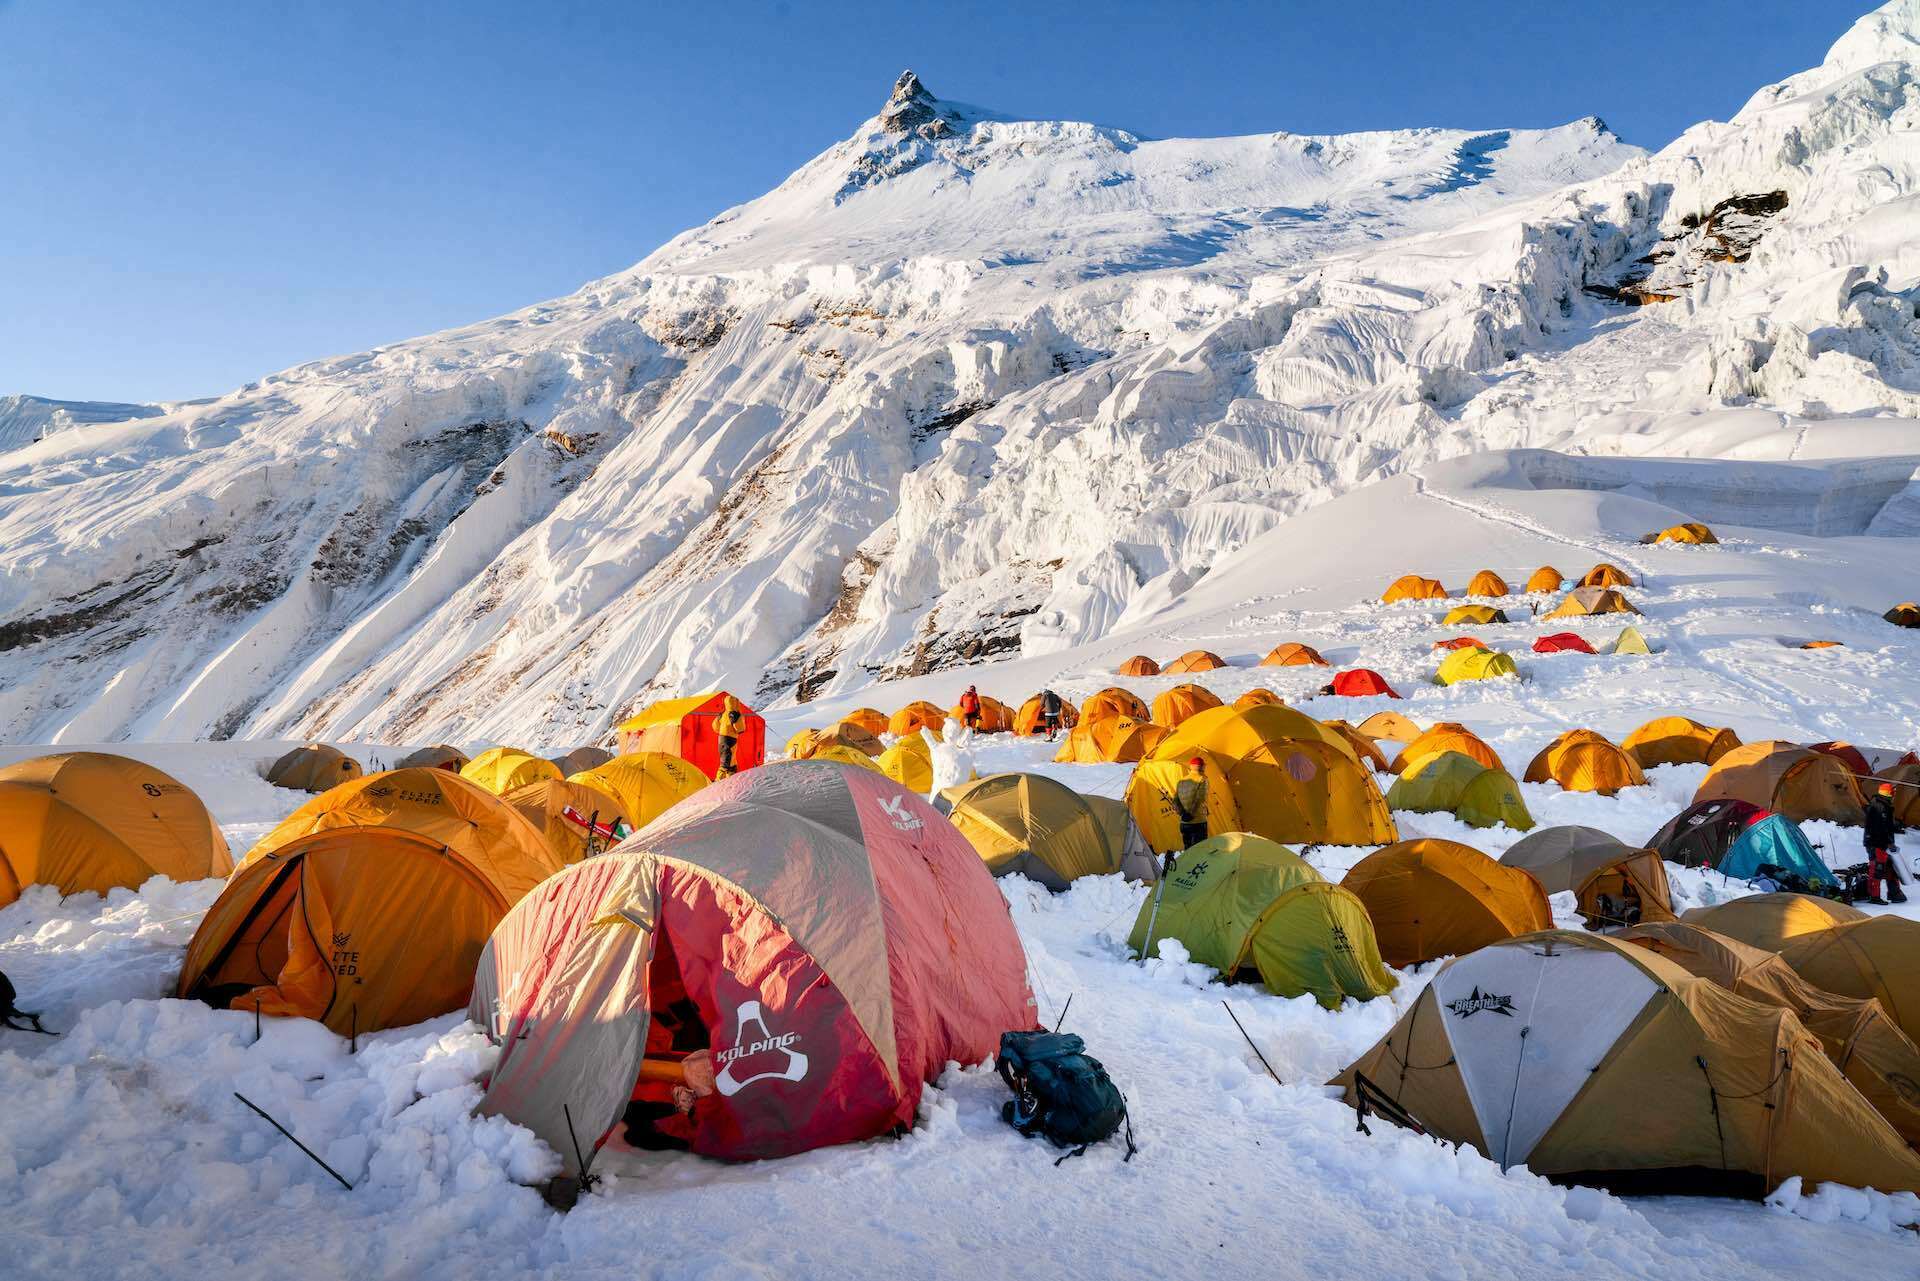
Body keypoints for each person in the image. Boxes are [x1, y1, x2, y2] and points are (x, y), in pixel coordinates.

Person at [1864, 782, 1908, 904]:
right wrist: (1888, 842)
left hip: (1883, 844)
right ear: (1889, 794)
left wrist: (1896, 826)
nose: (1893, 795)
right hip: (1877, 844)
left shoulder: (1884, 806)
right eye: (1892, 793)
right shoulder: (1878, 807)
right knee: (1877, 869)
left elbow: (1886, 826)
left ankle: (1894, 893)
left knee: (1891, 869)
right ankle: (1874, 897)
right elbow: (1878, 829)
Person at [1174, 757, 1209, 850]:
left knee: (1188, 851)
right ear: (1201, 767)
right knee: (1200, 851)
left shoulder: (1181, 781)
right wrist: (1190, 814)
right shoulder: (1202, 779)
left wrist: (1182, 814)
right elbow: (1200, 799)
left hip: (1184, 823)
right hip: (1198, 822)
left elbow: (1175, 800)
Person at [715, 694, 746, 778]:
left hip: (721, 739)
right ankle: (717, 784)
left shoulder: (722, 714)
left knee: (731, 763)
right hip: (730, 740)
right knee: (725, 764)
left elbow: (715, 726)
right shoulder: (735, 714)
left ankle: (731, 781)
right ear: (736, 703)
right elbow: (740, 729)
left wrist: (722, 730)